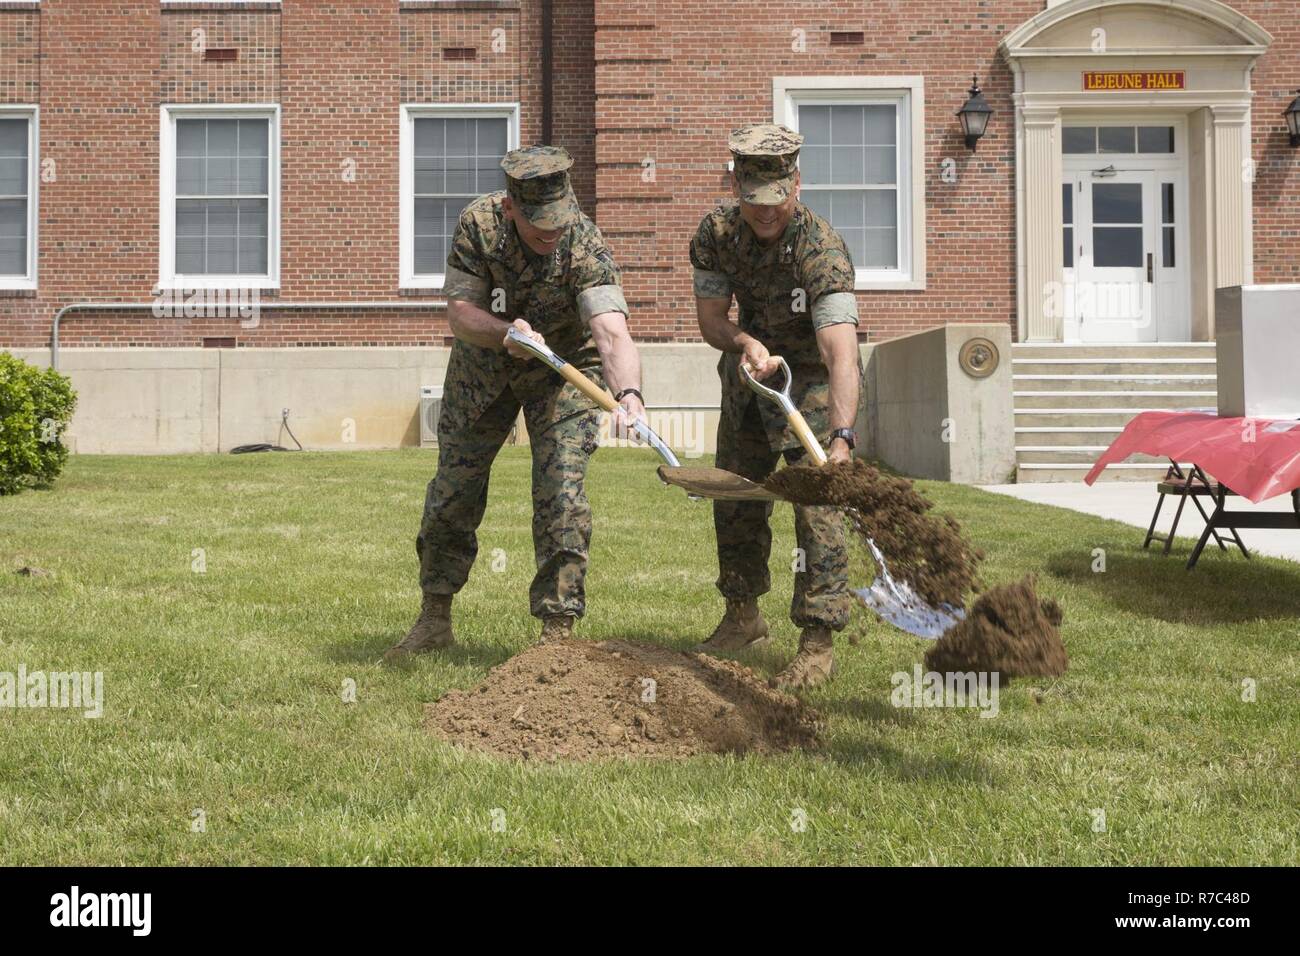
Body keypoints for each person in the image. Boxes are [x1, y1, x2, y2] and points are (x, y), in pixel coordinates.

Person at [386, 145, 645, 659]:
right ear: (511, 209)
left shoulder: (584, 242)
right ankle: (434, 618)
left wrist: (629, 395)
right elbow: (460, 314)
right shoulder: (478, 226)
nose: (551, 236)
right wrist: (508, 335)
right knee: (453, 492)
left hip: (564, 371)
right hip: (484, 365)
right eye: (538, 227)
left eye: (558, 223)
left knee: (561, 491)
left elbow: (611, 332)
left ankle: (557, 633)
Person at [688, 123, 865, 690]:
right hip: (747, 377)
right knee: (735, 494)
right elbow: (713, 319)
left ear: (797, 184)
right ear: (736, 184)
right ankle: (742, 616)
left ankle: (817, 641)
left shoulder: (822, 248)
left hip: (807, 381)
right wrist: (743, 343)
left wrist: (840, 440)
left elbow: (841, 352)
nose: (765, 213)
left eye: (777, 200)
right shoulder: (715, 233)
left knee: (817, 506)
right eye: (752, 201)